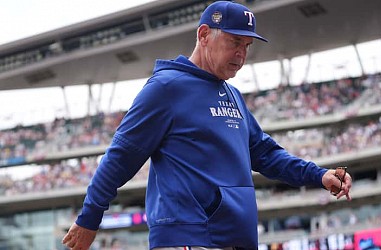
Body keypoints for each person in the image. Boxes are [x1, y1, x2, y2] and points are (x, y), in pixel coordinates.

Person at [62, 1, 352, 249]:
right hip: (188, 236)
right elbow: (121, 156)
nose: (241, 55)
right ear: (204, 35)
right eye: (234, 42)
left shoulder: (232, 95)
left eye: (247, 46)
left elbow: (264, 153)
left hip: (236, 237)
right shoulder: (165, 88)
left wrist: (318, 175)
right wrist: (90, 218)